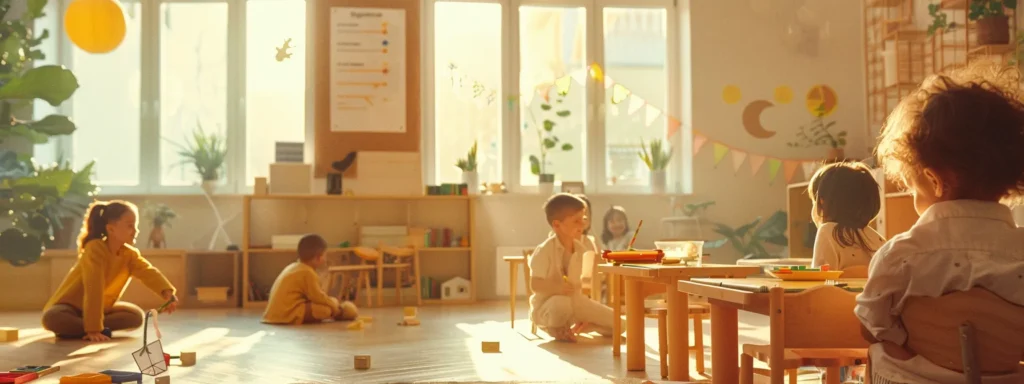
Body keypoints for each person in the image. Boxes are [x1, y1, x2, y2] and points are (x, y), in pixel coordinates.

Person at [857, 63, 1024, 383]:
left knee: (878, 349)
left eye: (911, 187)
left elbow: (869, 326)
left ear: (934, 182)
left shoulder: (901, 254)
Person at [42, 200, 178, 342]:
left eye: (135, 226)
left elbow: (148, 272)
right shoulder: (95, 248)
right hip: (71, 308)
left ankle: (78, 329)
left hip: (100, 309)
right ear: (111, 229)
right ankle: (91, 327)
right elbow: (93, 288)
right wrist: (93, 329)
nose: (136, 231)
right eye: (130, 226)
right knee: (52, 318)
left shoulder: (129, 254)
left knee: (136, 316)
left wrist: (167, 292)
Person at [529, 193, 617, 342]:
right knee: (561, 304)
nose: (582, 224)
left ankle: (586, 326)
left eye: (583, 219)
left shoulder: (582, 249)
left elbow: (587, 283)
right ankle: (553, 328)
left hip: (576, 302)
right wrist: (558, 288)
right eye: (576, 221)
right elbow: (534, 285)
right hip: (549, 306)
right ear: (557, 225)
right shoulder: (544, 250)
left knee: (621, 324)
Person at [262, 234, 359, 324]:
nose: (325, 259)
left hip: (275, 313)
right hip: (286, 314)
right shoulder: (307, 272)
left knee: (330, 302)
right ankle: (339, 313)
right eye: (325, 255)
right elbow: (318, 297)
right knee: (325, 310)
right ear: (318, 258)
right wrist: (335, 308)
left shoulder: (295, 266)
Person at [807, 162, 886, 270]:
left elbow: (821, 279)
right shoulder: (878, 239)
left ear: (822, 202)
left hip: (835, 287)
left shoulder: (827, 232)